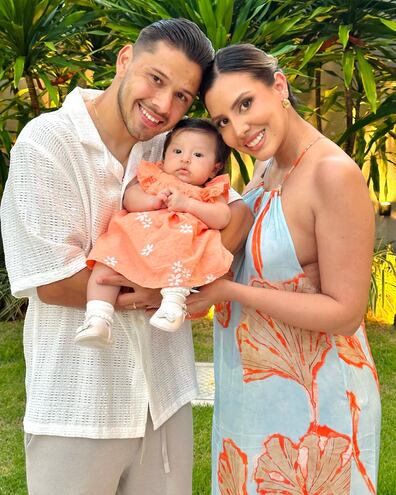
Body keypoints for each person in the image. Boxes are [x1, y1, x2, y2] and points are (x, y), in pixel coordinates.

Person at [0, 20, 252, 495]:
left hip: (165, 396)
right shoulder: (46, 144)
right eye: (155, 80)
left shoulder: (171, 145)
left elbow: (235, 213)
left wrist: (191, 263)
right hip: (78, 401)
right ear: (124, 60)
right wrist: (157, 291)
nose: (163, 105)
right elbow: (53, 280)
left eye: (181, 96)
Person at [188, 44, 381, 494]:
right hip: (253, 396)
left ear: (278, 85)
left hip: (319, 411)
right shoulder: (267, 167)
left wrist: (230, 294)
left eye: (245, 104)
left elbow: (345, 311)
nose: (239, 129)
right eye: (223, 121)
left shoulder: (331, 173)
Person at [76, 117, 233, 345]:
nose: (185, 159)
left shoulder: (208, 191)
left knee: (184, 259)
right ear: (165, 155)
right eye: (177, 151)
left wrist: (188, 205)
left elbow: (223, 216)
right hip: (134, 241)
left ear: (214, 168)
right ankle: (98, 318)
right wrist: (152, 202)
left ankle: (172, 306)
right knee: (106, 263)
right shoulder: (155, 177)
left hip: (176, 247)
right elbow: (130, 198)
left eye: (198, 155)